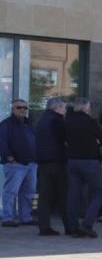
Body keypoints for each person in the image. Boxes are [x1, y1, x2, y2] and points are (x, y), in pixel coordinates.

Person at [63, 97, 102, 237]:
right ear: (86, 109)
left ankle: (73, 227)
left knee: (73, 196)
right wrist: (94, 144)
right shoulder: (90, 122)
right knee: (98, 192)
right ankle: (86, 225)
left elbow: (63, 140)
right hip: (90, 162)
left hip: (72, 161)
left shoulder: (67, 122)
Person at [32, 97, 68, 236]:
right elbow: (64, 138)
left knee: (45, 196)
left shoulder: (41, 120)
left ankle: (44, 226)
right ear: (57, 108)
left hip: (43, 162)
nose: (65, 110)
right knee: (63, 194)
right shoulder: (57, 120)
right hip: (56, 161)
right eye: (64, 107)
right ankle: (69, 226)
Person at [1, 99, 37, 228]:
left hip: (31, 164)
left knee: (29, 191)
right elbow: (2, 142)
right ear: (13, 109)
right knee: (11, 192)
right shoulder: (6, 124)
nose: (22, 110)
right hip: (15, 165)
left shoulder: (29, 123)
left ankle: (25, 217)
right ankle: (7, 218)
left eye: (25, 108)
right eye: (19, 107)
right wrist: (10, 158)